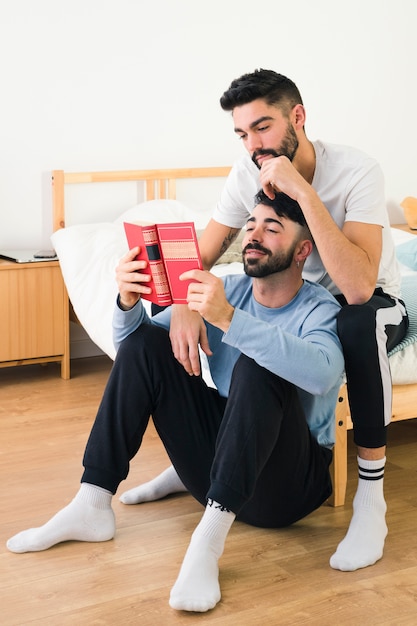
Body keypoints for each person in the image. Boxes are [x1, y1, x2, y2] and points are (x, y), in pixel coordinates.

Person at [7, 192, 344, 613]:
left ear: (303, 250)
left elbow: (324, 374)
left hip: (286, 489)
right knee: (145, 343)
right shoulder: (226, 288)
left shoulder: (319, 307)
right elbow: (134, 354)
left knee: (261, 367)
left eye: (272, 228)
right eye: (252, 224)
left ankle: (207, 543)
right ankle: (92, 503)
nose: (254, 235)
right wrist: (127, 303)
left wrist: (229, 320)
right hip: (220, 464)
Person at [163, 69, 409, 572]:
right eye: (242, 134)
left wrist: (303, 193)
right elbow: (199, 257)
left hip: (369, 300)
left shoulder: (359, 171)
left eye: (264, 127)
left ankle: (371, 499)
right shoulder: (244, 174)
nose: (253, 145)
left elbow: (360, 288)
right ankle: (203, 456)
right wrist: (184, 305)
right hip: (300, 299)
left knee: (355, 324)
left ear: (297, 117)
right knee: (260, 340)